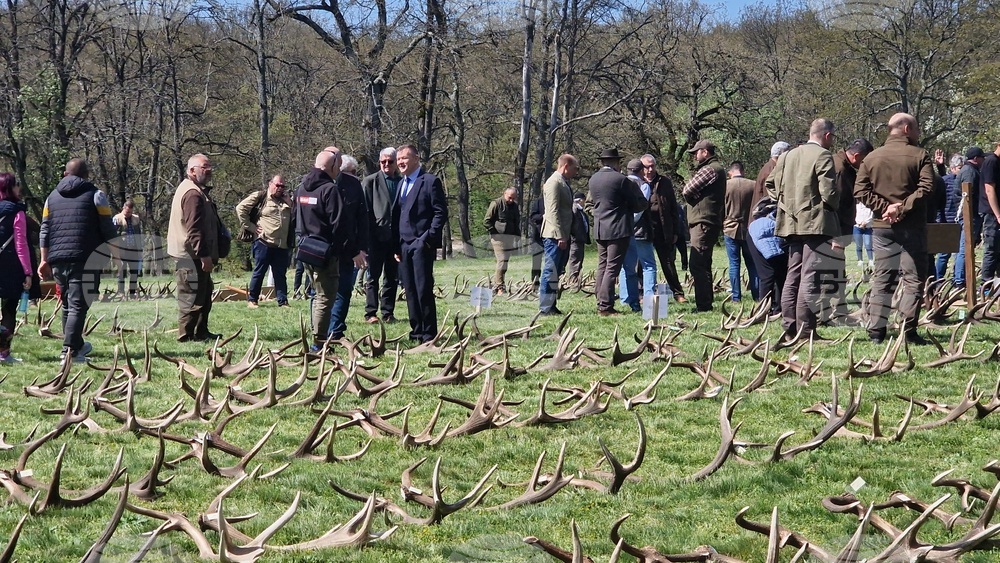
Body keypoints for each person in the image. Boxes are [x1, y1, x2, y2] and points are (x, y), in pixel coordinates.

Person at [854, 113, 934, 344]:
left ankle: (876, 332)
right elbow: (927, 188)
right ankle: (907, 331)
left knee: (882, 279)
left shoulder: (871, 158)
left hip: (882, 227)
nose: (918, 133)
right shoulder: (920, 155)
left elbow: (859, 191)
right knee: (913, 279)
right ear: (907, 128)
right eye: (917, 129)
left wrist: (884, 208)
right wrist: (900, 209)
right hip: (912, 227)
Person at [766, 118, 839, 343]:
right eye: (832, 137)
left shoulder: (787, 155)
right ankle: (806, 332)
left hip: (791, 223)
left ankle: (790, 328)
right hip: (816, 223)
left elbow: (770, 184)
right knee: (810, 276)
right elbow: (829, 193)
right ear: (827, 135)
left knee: (793, 275)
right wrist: (833, 206)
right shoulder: (823, 155)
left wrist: (785, 204)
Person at [39, 158, 118, 361]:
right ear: (86, 175)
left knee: (68, 304)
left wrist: (43, 259)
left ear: (66, 174)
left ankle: (77, 345)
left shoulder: (51, 198)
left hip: (58, 259)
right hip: (86, 258)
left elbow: (45, 230)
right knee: (78, 305)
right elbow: (107, 227)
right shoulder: (96, 195)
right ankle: (70, 352)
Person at [393, 143, 447, 343]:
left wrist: (427, 239)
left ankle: (429, 333)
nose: (400, 163)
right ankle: (416, 331)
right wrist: (396, 245)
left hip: (422, 244)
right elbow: (398, 214)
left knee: (423, 289)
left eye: (404, 159)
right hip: (404, 245)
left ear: (416, 159)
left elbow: (440, 213)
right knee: (410, 290)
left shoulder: (430, 181)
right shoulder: (401, 184)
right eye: (398, 160)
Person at [167, 154, 224, 343]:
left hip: (193, 255)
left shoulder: (194, 190)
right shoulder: (193, 194)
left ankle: (201, 333)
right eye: (204, 167)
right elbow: (194, 230)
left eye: (209, 167)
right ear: (192, 170)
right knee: (191, 298)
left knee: (204, 294)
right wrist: (204, 256)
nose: (209, 170)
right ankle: (185, 337)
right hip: (191, 256)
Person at [295, 147, 346, 349]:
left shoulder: (301, 188)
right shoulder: (329, 189)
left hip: (306, 249)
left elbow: (295, 217)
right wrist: (339, 250)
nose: (339, 170)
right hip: (325, 252)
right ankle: (319, 343)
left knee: (316, 295)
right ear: (331, 166)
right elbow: (339, 224)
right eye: (337, 166)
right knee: (325, 297)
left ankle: (317, 338)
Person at [588, 149, 647, 316]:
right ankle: (605, 306)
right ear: (615, 162)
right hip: (618, 228)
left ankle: (600, 299)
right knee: (612, 267)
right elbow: (639, 203)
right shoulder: (621, 180)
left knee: (602, 265)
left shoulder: (593, 179)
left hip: (600, 228)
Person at [828, 138, 874, 322]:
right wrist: (836, 236)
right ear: (856, 156)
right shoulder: (840, 169)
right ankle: (834, 311)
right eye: (864, 161)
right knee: (834, 270)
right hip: (835, 229)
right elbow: (835, 204)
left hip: (838, 229)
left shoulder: (844, 166)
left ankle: (837, 308)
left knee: (836, 269)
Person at [327, 155, 369, 340]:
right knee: (322, 293)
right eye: (351, 173)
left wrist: (360, 248)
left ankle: (335, 330)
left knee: (343, 290)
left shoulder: (354, 187)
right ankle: (321, 330)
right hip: (325, 249)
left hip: (347, 250)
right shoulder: (319, 185)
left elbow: (361, 219)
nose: (354, 176)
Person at [682, 140, 726, 312]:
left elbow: (687, 190)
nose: (694, 155)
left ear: (705, 152)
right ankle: (706, 301)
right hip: (708, 221)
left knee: (697, 263)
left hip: (703, 221)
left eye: (696, 152)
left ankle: (703, 305)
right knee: (704, 262)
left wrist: (692, 197)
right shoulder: (716, 169)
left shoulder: (709, 169)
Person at [237, 175, 293, 308]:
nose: (280, 188)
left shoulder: (286, 200)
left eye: (282, 186)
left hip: (281, 245)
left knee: (280, 275)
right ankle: (252, 300)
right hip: (263, 242)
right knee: (259, 272)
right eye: (277, 185)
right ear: (270, 184)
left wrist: (290, 203)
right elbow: (240, 209)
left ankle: (283, 301)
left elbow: (297, 216)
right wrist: (251, 227)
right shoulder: (260, 196)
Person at [362, 147, 403, 323]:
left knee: (392, 277)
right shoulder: (370, 181)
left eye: (390, 161)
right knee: (373, 276)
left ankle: (388, 312)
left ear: (395, 163)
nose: (387, 164)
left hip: (396, 238)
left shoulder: (402, 182)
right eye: (383, 161)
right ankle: (371, 312)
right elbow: (364, 211)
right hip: (375, 237)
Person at [643, 154, 686, 302]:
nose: (649, 169)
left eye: (652, 166)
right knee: (640, 264)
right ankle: (642, 293)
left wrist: (675, 231)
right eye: (646, 166)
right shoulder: (637, 182)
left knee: (668, 262)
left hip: (663, 229)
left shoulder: (664, 182)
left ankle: (678, 293)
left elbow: (674, 208)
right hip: (644, 229)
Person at [0, 173, 33, 364]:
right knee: (9, 310)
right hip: (11, 267)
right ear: (10, 188)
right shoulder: (17, 211)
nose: (18, 188)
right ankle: (3, 353)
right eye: (16, 185)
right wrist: (27, 272)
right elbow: (21, 244)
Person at [539, 154, 577, 315]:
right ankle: (545, 307)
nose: (576, 172)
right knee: (550, 270)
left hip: (562, 234)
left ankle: (551, 304)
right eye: (575, 168)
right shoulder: (554, 183)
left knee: (557, 270)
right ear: (566, 165)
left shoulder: (563, 182)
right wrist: (560, 235)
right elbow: (552, 211)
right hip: (554, 235)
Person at [619, 159, 656, 312]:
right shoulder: (643, 185)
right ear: (641, 171)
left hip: (622, 230)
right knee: (648, 265)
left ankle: (625, 297)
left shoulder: (621, 183)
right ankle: (649, 299)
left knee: (625, 266)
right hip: (639, 231)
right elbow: (639, 210)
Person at [723, 161, 758, 302]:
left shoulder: (724, 186)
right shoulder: (753, 185)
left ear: (730, 173)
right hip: (748, 228)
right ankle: (757, 295)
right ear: (743, 171)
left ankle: (736, 297)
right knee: (752, 263)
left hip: (730, 227)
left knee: (734, 264)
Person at [747, 197, 786, 315]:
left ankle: (773, 308)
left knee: (775, 274)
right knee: (770, 274)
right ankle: (765, 310)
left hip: (755, 232)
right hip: (767, 234)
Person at [954, 147, 985, 288]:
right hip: (969, 216)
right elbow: (968, 194)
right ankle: (960, 281)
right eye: (982, 158)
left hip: (970, 215)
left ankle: (962, 278)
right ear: (976, 158)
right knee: (964, 248)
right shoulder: (969, 172)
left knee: (966, 247)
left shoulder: (969, 170)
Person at [484, 187, 521, 294]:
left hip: (509, 237)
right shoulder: (496, 204)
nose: (511, 200)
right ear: (504, 194)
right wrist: (494, 232)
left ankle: (497, 285)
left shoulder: (514, 206)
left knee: (505, 262)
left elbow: (516, 222)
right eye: (509, 197)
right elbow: (486, 221)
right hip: (498, 238)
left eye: (513, 198)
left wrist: (517, 237)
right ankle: (500, 287)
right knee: (502, 260)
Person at [935, 154, 963, 280]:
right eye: (959, 167)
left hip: (961, 221)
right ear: (952, 168)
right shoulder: (946, 180)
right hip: (946, 220)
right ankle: (938, 279)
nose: (962, 170)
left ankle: (956, 278)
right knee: (944, 253)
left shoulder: (965, 180)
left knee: (959, 253)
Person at [112, 198, 143, 296]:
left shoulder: (136, 219)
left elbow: (139, 234)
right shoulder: (117, 218)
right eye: (127, 211)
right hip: (121, 250)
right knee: (121, 272)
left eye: (130, 212)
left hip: (133, 249)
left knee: (134, 272)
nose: (128, 213)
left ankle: (132, 292)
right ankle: (121, 292)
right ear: (123, 208)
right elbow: (113, 236)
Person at [980, 143, 1000, 286]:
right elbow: (989, 190)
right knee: (992, 250)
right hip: (992, 214)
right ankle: (986, 285)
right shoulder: (991, 162)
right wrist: (998, 215)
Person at [753, 141, 791, 207]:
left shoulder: (770, 167)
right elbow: (769, 196)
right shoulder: (771, 171)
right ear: (782, 155)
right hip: (765, 213)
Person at [567, 192, 591, 287]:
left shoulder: (581, 211)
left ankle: (577, 278)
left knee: (579, 259)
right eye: (584, 200)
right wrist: (574, 235)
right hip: (575, 239)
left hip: (580, 239)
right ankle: (573, 280)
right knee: (575, 259)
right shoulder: (574, 209)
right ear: (580, 200)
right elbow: (572, 224)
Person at [529, 195, 545, 287]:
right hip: (538, 236)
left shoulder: (557, 199)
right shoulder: (539, 201)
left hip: (553, 235)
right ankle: (535, 281)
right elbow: (533, 217)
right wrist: (543, 216)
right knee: (536, 260)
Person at [854, 202, 874, 269]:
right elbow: (855, 215)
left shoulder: (870, 206)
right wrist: (860, 223)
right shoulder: (857, 206)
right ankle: (860, 260)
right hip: (857, 227)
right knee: (858, 244)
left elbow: (872, 216)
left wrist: (865, 223)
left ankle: (871, 260)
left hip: (867, 227)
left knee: (868, 243)